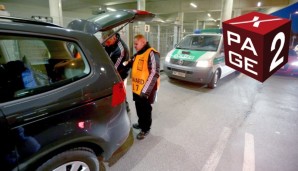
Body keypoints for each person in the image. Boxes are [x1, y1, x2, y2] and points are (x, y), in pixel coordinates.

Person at [129, 34, 160, 140]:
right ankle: (141, 123)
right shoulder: (138, 54)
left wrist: (145, 91)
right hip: (137, 87)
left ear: (143, 42)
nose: (134, 46)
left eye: (136, 44)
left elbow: (155, 73)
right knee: (139, 107)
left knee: (146, 109)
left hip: (147, 89)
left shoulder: (152, 53)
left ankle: (146, 129)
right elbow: (129, 63)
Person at [101, 29, 131, 112]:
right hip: (113, 68)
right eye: (105, 41)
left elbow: (115, 69)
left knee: (119, 90)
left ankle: (124, 108)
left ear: (113, 37)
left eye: (108, 41)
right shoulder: (108, 42)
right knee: (118, 92)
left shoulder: (121, 50)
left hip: (121, 72)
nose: (106, 44)